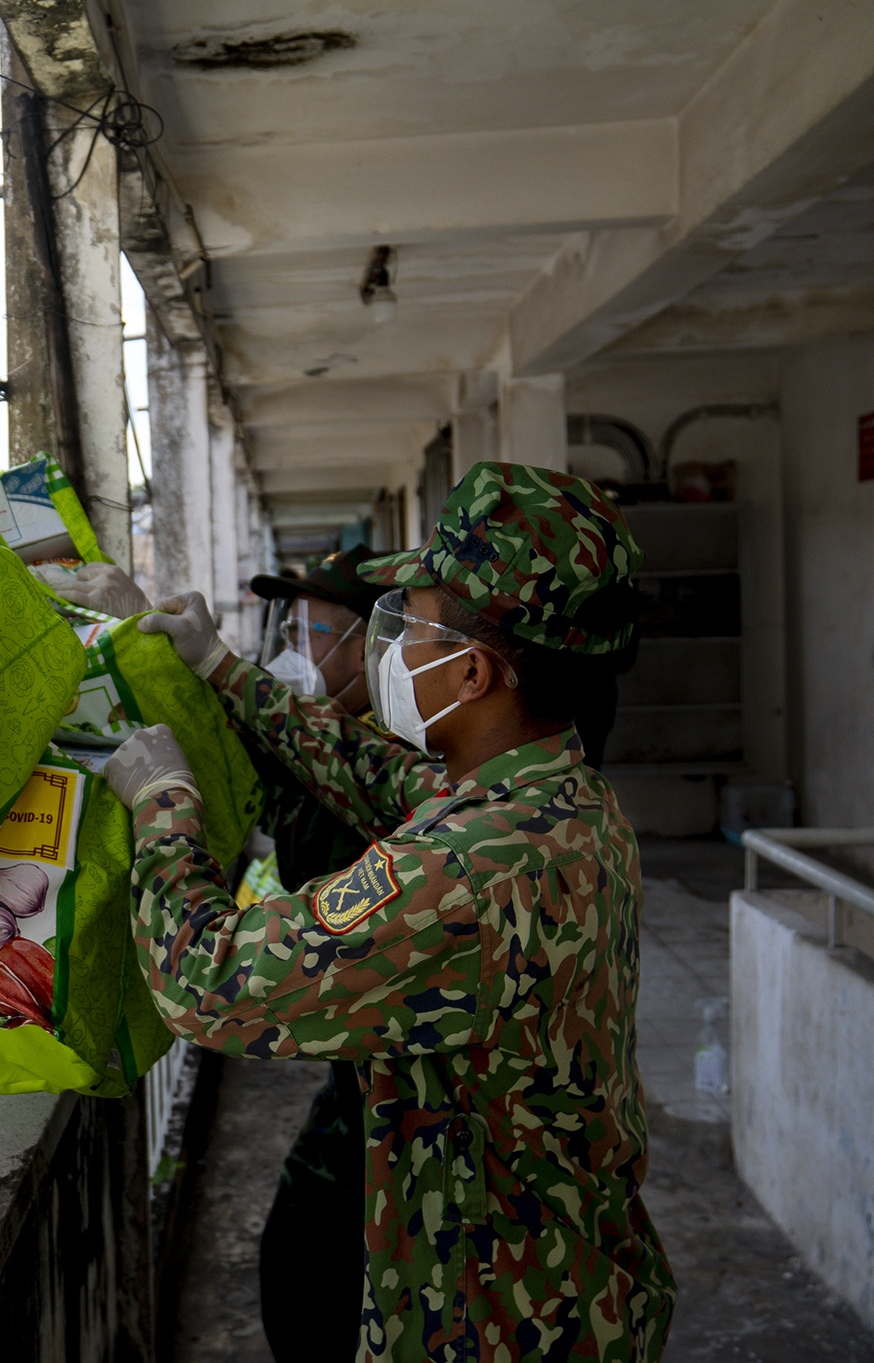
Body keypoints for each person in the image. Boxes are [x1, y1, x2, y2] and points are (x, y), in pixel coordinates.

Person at [105, 461, 671, 1361]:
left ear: (475, 672)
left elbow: (207, 981)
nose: (388, 646)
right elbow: (370, 770)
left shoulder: (471, 871)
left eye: (409, 624)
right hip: (572, 1285)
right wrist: (218, 667)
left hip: (498, 1326)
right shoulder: (555, 796)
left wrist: (164, 803)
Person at [244, 545, 388, 1363]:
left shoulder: (392, 769)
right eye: (289, 623)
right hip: (365, 1063)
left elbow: (230, 984)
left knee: (311, 1269)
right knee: (305, 1268)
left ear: (375, 644)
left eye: (317, 627)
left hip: (398, 1073)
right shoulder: (329, 742)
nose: (297, 643)